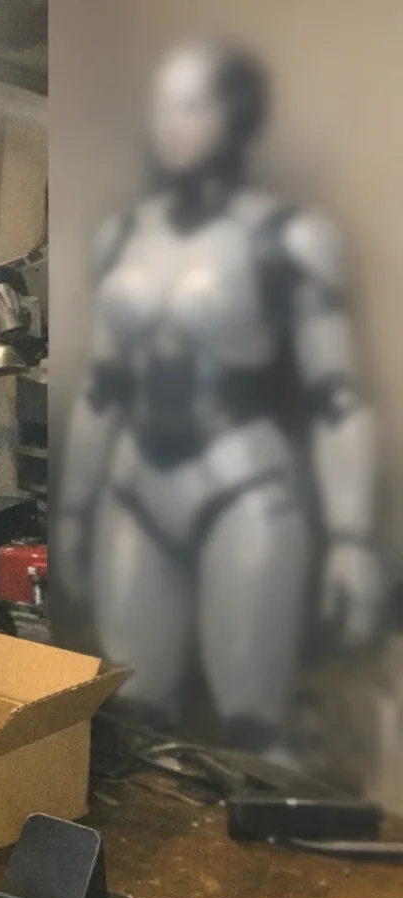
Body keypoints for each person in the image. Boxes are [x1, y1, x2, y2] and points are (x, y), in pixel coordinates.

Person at [55, 39, 382, 761]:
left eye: (195, 104)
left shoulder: (288, 238)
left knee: (253, 729)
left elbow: (336, 397)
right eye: (166, 104)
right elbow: (103, 390)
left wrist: (354, 539)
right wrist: (73, 513)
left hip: (244, 482)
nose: (174, 122)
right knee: (133, 717)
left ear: (235, 116)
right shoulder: (122, 237)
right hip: (136, 485)